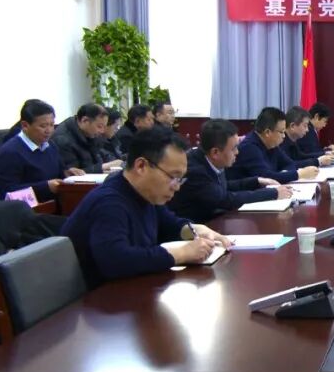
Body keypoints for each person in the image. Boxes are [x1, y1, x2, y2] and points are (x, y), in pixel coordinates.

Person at [61, 128, 231, 288]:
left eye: (180, 179)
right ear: (141, 166)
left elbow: (169, 223)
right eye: (173, 177)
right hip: (97, 299)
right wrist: (182, 253)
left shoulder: (145, 194)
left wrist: (196, 229)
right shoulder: (109, 202)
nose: (177, 187)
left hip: (128, 290)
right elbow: (115, 261)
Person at [168, 120, 293, 223]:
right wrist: (272, 193)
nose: (237, 152)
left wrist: (257, 181)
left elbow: (223, 187)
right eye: (234, 148)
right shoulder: (195, 171)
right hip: (193, 230)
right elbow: (225, 200)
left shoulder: (211, 159)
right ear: (215, 152)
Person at [0, 100, 83, 200]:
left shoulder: (50, 145)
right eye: (43, 126)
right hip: (30, 207)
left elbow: (58, 173)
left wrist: (67, 173)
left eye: (52, 125)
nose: (49, 130)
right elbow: (7, 192)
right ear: (25, 125)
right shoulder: (10, 152)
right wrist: (45, 187)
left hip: (54, 202)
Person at [227, 107, 319, 184]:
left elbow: (289, 163)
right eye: (281, 132)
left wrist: (284, 174)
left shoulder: (272, 144)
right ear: (268, 132)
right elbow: (267, 178)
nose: (284, 136)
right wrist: (299, 174)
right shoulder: (249, 147)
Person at [52, 104, 121, 174]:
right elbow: (73, 173)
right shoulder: (63, 140)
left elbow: (102, 154)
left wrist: (118, 162)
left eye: (104, 127)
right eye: (99, 126)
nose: (102, 131)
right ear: (85, 120)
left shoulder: (91, 134)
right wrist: (102, 167)